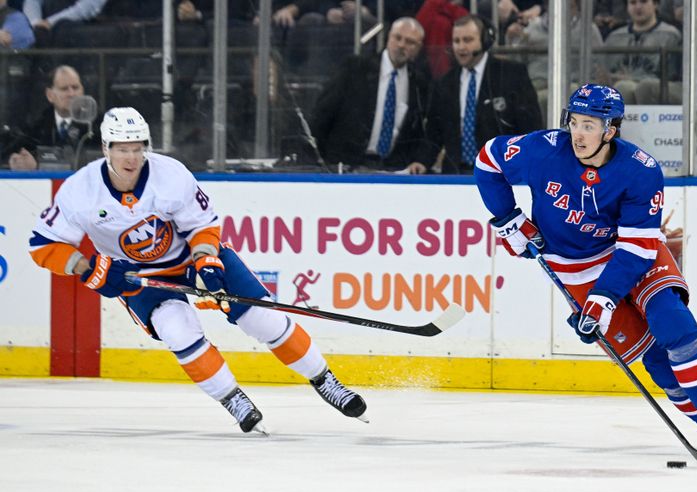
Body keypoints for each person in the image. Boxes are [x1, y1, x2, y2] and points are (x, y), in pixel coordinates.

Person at [28, 107, 368, 433]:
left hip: (191, 257)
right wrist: (90, 270)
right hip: (140, 277)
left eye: (137, 148)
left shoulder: (171, 175)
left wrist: (206, 260)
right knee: (177, 331)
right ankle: (234, 400)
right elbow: (43, 245)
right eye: (122, 149)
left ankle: (326, 381)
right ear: (106, 148)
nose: (131, 158)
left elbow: (202, 226)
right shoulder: (80, 191)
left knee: (261, 318)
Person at [473, 83, 697, 456]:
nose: (578, 133)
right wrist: (509, 220)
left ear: (610, 130)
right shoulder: (542, 150)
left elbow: (637, 247)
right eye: (574, 122)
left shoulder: (640, 170)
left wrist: (603, 300)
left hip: (632, 255)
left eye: (589, 125)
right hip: (575, 269)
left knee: (672, 321)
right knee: (656, 359)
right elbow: (487, 161)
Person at [408, 14, 543, 175]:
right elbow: (434, 133)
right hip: (455, 176)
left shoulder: (511, 74)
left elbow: (531, 127)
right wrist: (421, 162)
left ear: (485, 41)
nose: (461, 47)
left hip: (502, 176)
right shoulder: (444, 83)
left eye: (467, 40)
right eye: (456, 41)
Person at [311, 17, 429, 171]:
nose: (401, 45)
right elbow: (322, 113)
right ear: (388, 37)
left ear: (418, 48)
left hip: (391, 171)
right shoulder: (355, 68)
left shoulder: (419, 83)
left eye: (409, 42)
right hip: (345, 167)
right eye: (397, 38)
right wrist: (316, 160)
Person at [7, 64, 99, 170]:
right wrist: (19, 162)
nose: (72, 93)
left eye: (75, 87)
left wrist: (38, 167)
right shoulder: (37, 127)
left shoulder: (98, 125)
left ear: (82, 90)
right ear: (50, 95)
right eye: (64, 89)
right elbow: (12, 154)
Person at [598, 0, 682, 105]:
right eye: (633, 3)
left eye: (643, 2)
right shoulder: (614, 37)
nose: (638, 7)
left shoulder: (670, 35)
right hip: (619, 87)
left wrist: (632, 79)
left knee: (627, 87)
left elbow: (672, 76)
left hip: (657, 87)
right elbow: (603, 72)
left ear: (655, 4)